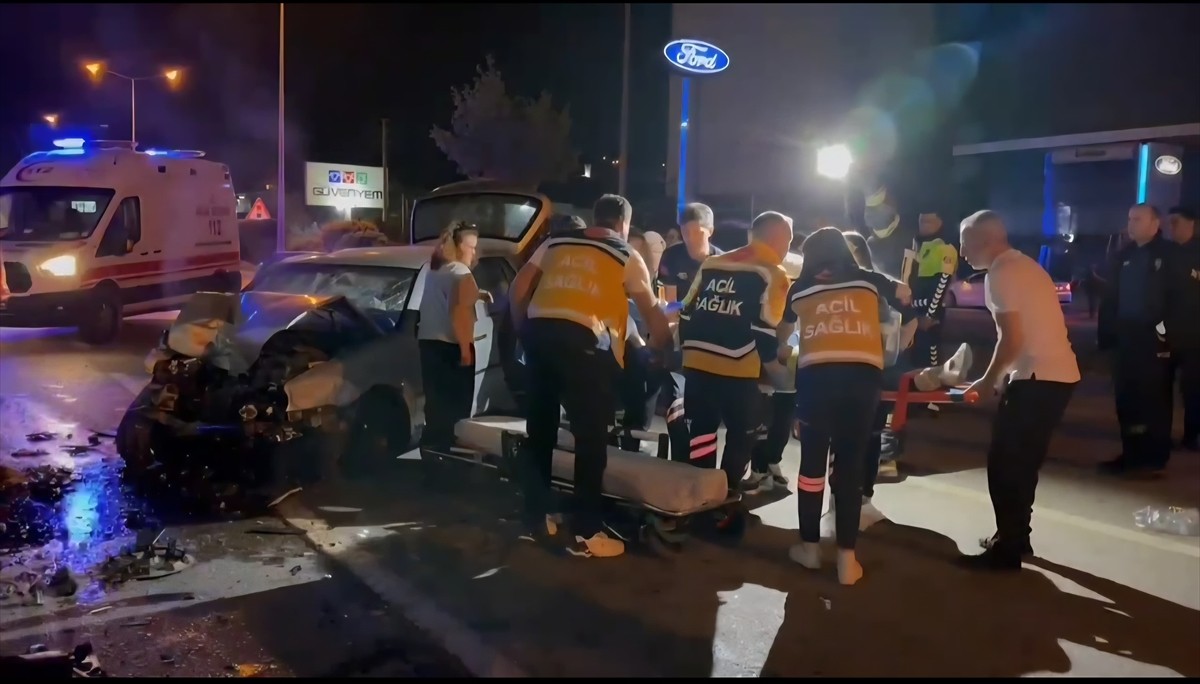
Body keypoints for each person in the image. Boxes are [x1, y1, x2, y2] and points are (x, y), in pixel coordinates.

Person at [509, 194, 670, 558]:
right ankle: (587, 532)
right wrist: (663, 350)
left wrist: (526, 333)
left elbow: (519, 289)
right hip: (584, 345)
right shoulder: (626, 254)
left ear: (595, 217)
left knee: (541, 434)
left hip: (539, 336)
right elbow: (653, 314)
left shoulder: (555, 243)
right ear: (624, 224)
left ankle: (534, 518)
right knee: (590, 439)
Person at [781, 227, 910, 586]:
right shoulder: (867, 280)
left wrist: (785, 350)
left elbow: (781, 338)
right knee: (850, 465)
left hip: (816, 379)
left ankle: (809, 548)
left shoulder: (800, 288)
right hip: (862, 378)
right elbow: (904, 294)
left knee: (811, 466)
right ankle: (847, 562)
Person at [957, 210, 1079, 570]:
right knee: (1023, 463)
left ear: (986, 240)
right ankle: (1015, 537)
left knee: (1006, 464)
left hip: (1039, 378)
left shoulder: (1001, 273)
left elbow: (1011, 339)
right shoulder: (1023, 265)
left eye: (965, 242)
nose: (961, 251)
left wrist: (989, 379)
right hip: (1056, 375)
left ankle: (1007, 549)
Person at [677, 211, 792, 497]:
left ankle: (699, 492)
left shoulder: (712, 264)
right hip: (738, 368)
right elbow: (765, 332)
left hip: (696, 363)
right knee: (744, 433)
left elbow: (686, 311)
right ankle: (725, 493)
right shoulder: (773, 273)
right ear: (781, 239)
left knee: (702, 431)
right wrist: (780, 375)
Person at [1097, 204, 1180, 478]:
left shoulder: (1170, 254)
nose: (1131, 224)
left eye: (1138, 219)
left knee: (1153, 399)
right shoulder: (1123, 255)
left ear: (1156, 223)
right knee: (1127, 399)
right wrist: (1107, 335)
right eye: (1130, 218)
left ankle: (1154, 458)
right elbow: (1110, 299)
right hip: (1125, 337)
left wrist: (1165, 340)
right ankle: (1131, 454)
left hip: (1154, 338)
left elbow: (1178, 303)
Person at [418, 222, 483, 453]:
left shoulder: (437, 270)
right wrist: (465, 349)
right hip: (450, 347)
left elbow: (444, 300)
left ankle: (432, 453)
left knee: (435, 406)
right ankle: (450, 459)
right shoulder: (461, 272)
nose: (474, 252)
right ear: (458, 247)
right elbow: (459, 310)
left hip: (428, 344)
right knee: (456, 408)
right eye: (471, 247)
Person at [1166, 206, 1200, 451]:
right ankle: (1161, 433)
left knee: (1192, 388)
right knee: (1161, 386)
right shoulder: (1167, 254)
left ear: (1191, 224)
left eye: (1176, 222)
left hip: (1195, 335)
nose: (1172, 227)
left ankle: (1191, 435)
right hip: (1167, 333)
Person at [911, 212, 958, 368]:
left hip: (931, 310)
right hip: (915, 308)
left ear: (940, 223)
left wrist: (930, 315)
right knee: (915, 354)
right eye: (921, 221)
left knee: (931, 355)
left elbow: (943, 282)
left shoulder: (944, 248)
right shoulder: (916, 245)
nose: (924, 225)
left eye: (929, 221)